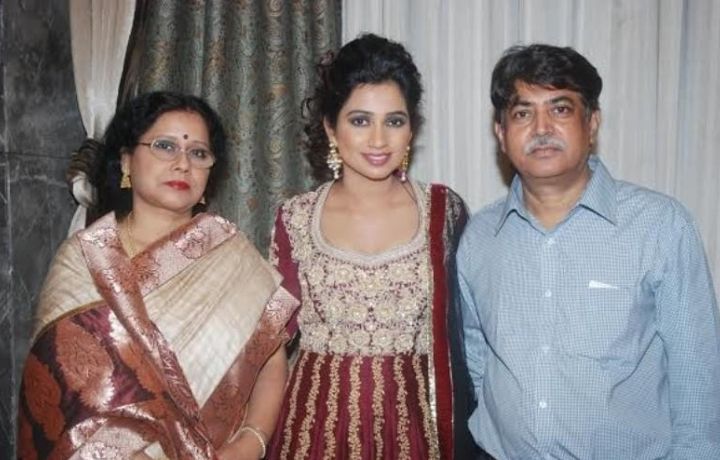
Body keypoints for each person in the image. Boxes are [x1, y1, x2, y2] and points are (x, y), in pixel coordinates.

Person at [457, 43, 720, 459]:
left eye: (560, 109)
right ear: (501, 133)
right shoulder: (479, 237)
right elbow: (475, 360)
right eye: (522, 113)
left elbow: (700, 383)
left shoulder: (659, 226)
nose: (541, 128)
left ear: (592, 123)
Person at [17, 91, 298, 459]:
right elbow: (59, 392)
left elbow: (269, 360)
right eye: (165, 146)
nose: (183, 163)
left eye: (198, 153)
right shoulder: (83, 259)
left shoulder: (235, 258)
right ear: (127, 161)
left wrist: (251, 442)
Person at [266, 34, 483, 459]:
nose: (379, 139)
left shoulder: (445, 212)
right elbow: (270, 348)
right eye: (361, 120)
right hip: (314, 433)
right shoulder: (294, 218)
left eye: (395, 121)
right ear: (332, 127)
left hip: (417, 432)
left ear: (412, 129)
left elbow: (469, 337)